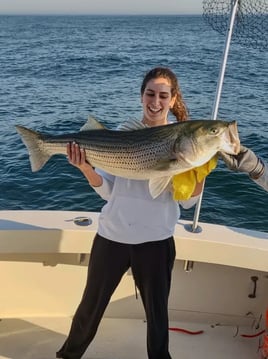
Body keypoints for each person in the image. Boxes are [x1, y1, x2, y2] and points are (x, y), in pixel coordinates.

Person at [56, 67, 203, 359]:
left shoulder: (186, 142)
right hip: (113, 235)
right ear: (141, 95)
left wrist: (199, 170)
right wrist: (86, 167)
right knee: (90, 307)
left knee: (157, 314)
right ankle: (68, 356)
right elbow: (109, 190)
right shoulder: (124, 133)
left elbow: (187, 203)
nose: (155, 101)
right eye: (150, 93)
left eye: (163, 95)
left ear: (173, 100)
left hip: (156, 240)